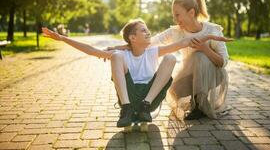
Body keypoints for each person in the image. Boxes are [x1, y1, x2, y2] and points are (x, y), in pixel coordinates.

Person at [42, 18, 231, 127]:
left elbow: (184, 42)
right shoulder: (123, 54)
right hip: (130, 97)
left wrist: (213, 35)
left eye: (148, 30)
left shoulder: (152, 51)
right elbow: (91, 50)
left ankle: (144, 106)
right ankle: (126, 109)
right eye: (143, 31)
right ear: (132, 38)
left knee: (171, 58)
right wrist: (62, 38)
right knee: (115, 56)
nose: (148, 33)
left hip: (149, 98)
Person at [110, 0, 231, 120]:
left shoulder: (212, 30)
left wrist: (205, 48)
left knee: (199, 56)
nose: (175, 19)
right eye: (174, 16)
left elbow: (223, 62)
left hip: (214, 75)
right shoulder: (175, 32)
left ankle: (199, 104)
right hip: (190, 74)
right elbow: (149, 43)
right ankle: (194, 100)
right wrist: (122, 47)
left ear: (191, 13)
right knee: (174, 90)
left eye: (177, 15)